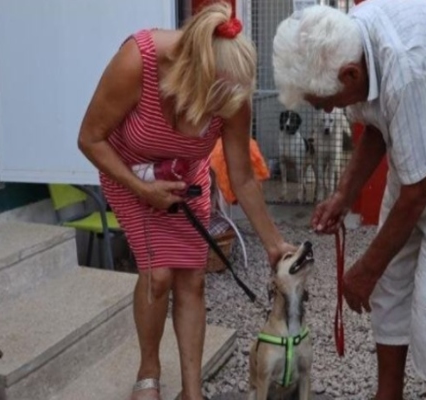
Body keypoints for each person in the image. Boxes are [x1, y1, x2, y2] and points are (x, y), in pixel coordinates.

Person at [272, 1, 426, 400]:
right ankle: (388, 395)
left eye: (325, 101)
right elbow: (381, 126)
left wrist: (365, 270)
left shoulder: (405, 69)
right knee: (391, 279)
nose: (328, 110)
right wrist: (343, 196)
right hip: (425, 130)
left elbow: (418, 195)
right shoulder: (354, 43)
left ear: (349, 74)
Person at [78, 3, 294, 400]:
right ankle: (149, 373)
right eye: (216, 98)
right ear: (195, 70)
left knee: (192, 279)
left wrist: (273, 243)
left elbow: (242, 177)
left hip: (184, 180)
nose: (224, 108)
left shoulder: (232, 94)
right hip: (128, 173)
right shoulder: (138, 61)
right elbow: (90, 138)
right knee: (158, 276)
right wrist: (141, 189)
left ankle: (192, 392)